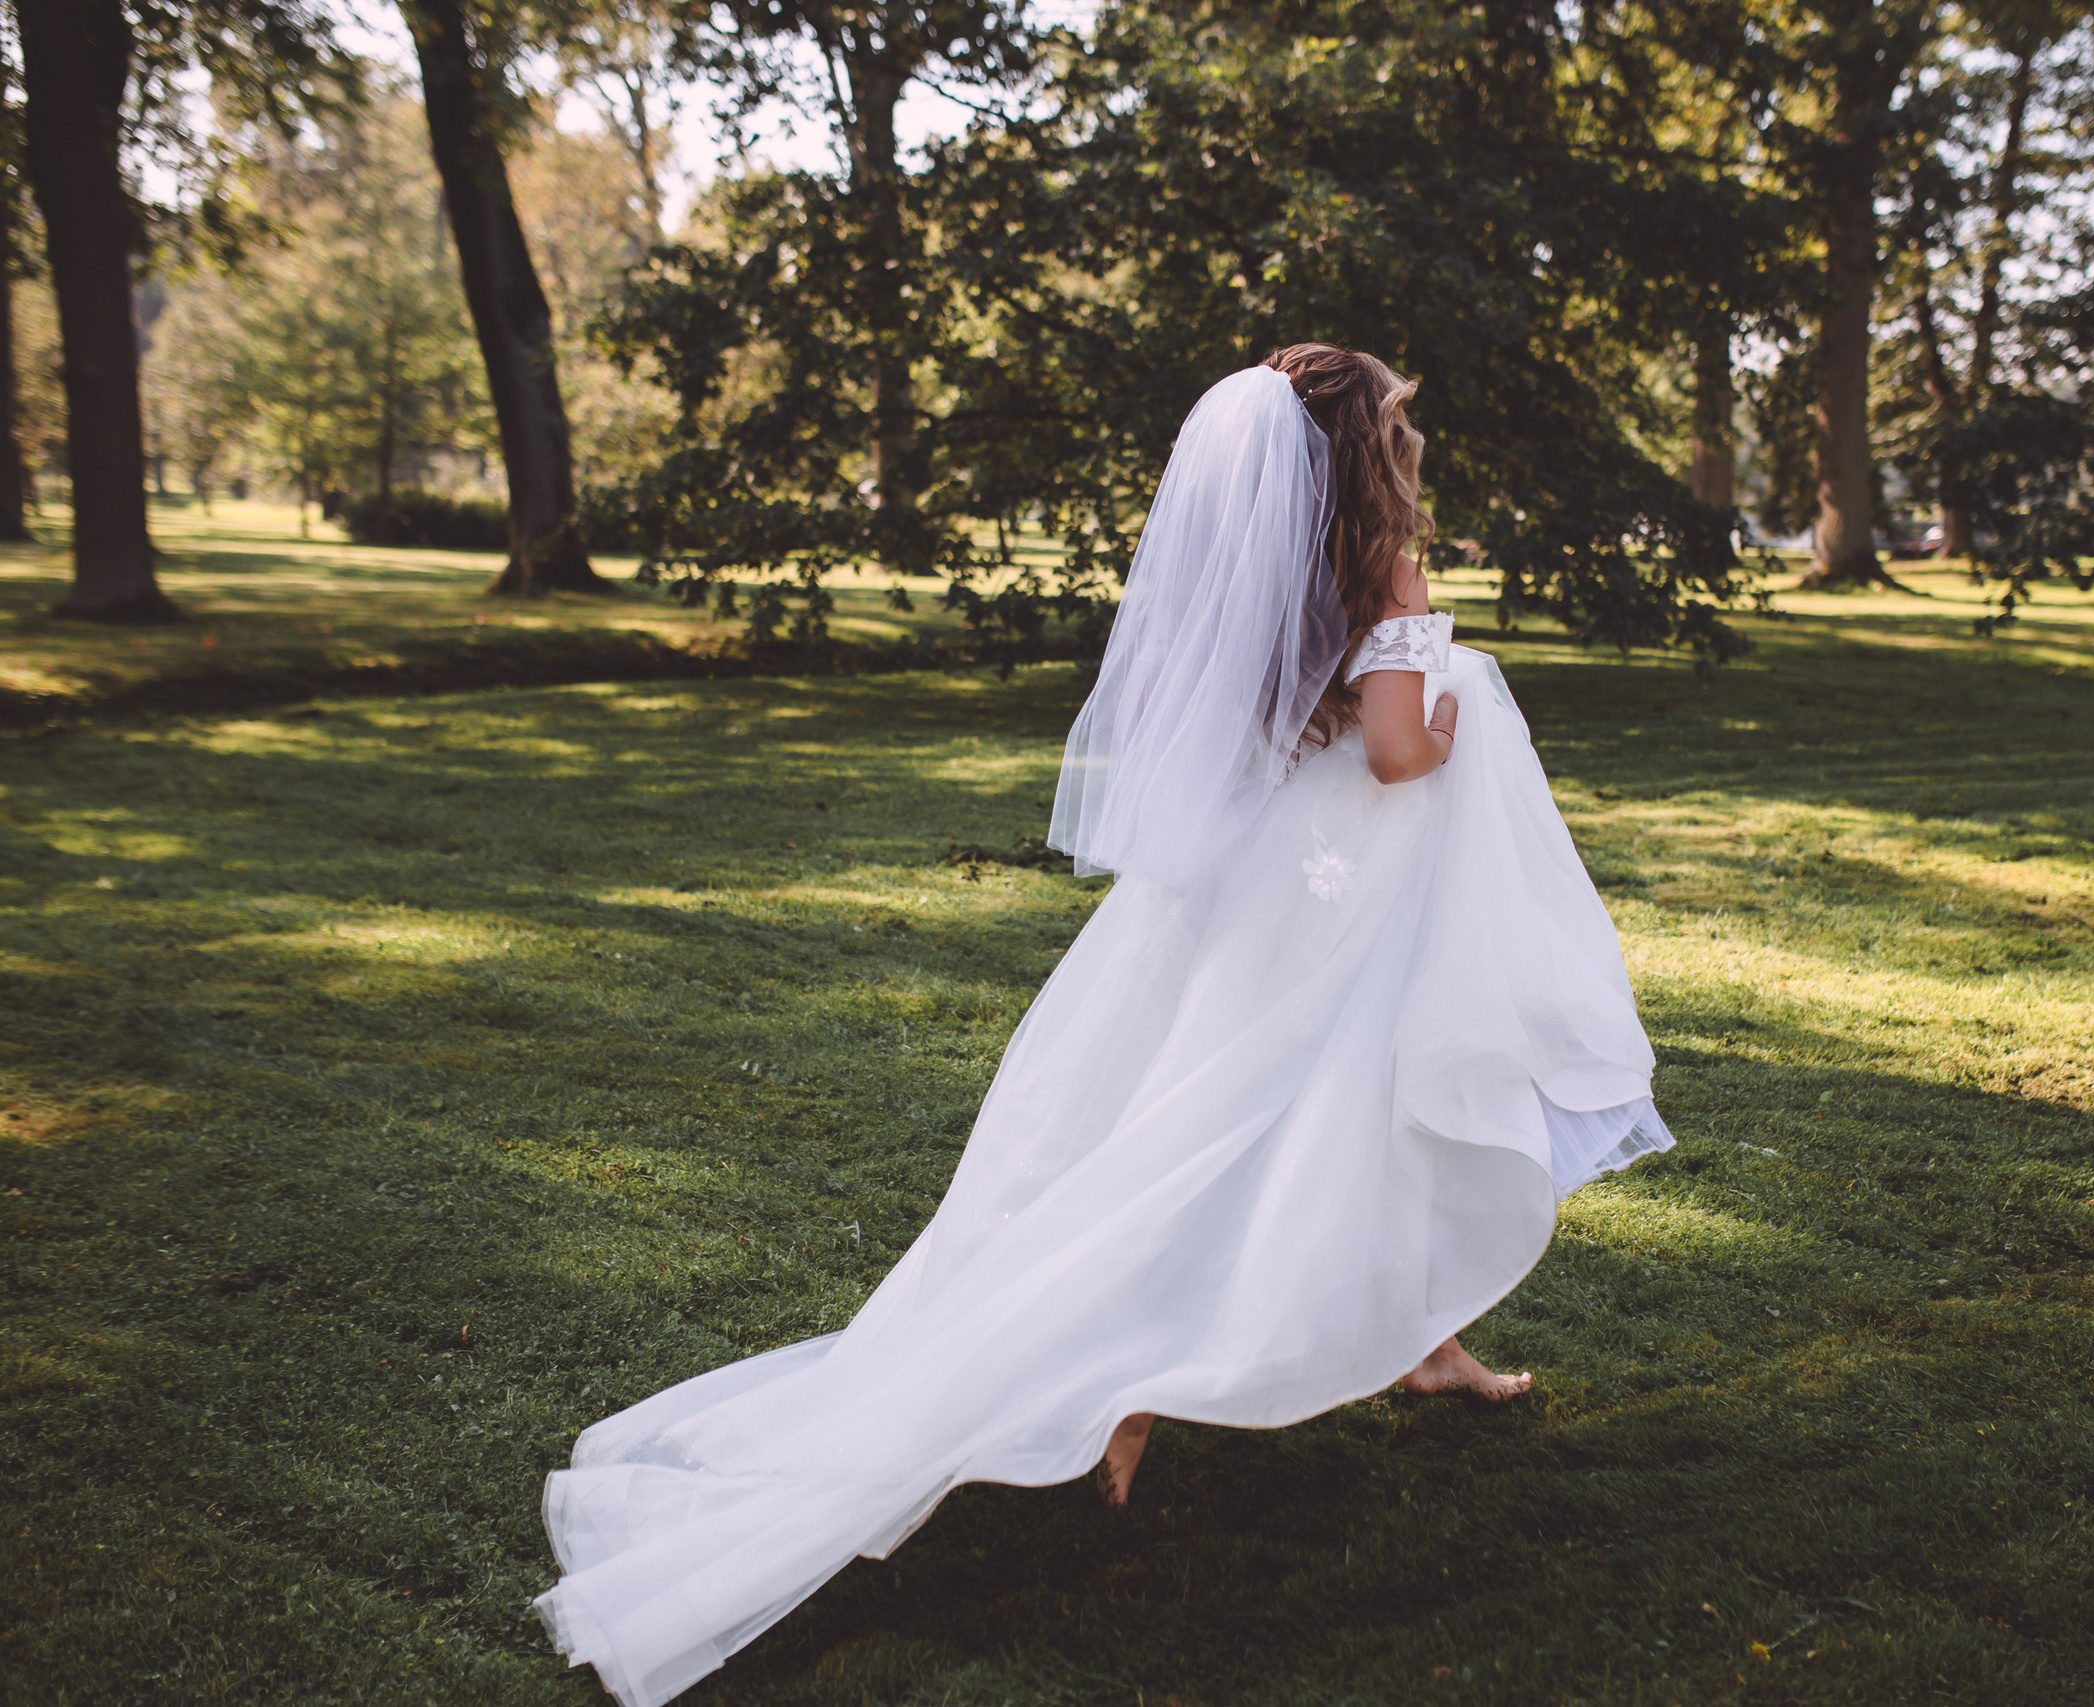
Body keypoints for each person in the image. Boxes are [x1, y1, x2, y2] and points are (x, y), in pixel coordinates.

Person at [533, 345, 1674, 1707]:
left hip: (1269, 870)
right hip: (1352, 879)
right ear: (1370, 446)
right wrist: (1460, 686)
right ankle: (1125, 1390)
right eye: (1403, 424)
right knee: (1288, 1116)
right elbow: (1397, 750)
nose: (1415, 441)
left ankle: (1419, 1347)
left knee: (1238, 1104)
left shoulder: (1273, 553)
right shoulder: (1386, 561)